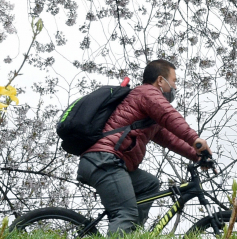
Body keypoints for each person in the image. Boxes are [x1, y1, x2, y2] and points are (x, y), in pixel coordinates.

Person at [77, 59, 210, 236]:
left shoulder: (148, 116)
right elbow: (170, 116)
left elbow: (170, 138)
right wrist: (196, 140)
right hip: (104, 159)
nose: (175, 87)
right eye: (174, 81)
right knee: (126, 214)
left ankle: (132, 234)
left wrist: (198, 156)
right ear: (161, 80)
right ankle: (125, 224)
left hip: (110, 161)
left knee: (149, 185)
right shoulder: (147, 93)